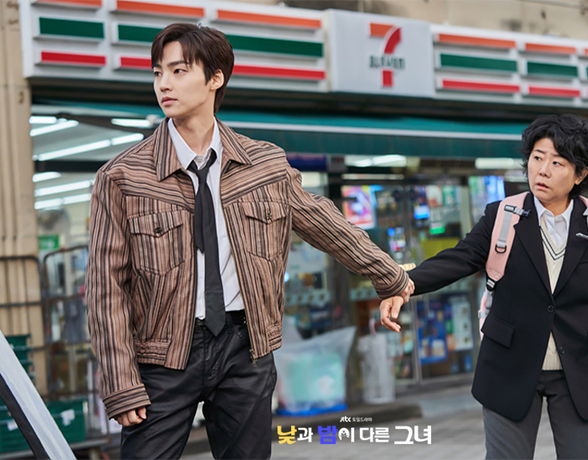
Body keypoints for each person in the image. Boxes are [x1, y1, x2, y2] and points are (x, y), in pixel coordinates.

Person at [86, 23, 413, 460]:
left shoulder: (265, 165)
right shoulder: (123, 176)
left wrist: (391, 277)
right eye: (157, 72)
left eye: (179, 70)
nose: (164, 83)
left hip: (246, 348)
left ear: (215, 78)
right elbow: (106, 288)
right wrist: (120, 382)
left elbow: (328, 225)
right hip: (162, 355)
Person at [380, 114, 588, 459]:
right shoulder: (502, 216)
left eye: (557, 162)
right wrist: (402, 284)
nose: (542, 170)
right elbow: (459, 259)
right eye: (537, 158)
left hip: (581, 368)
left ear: (580, 174)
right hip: (509, 364)